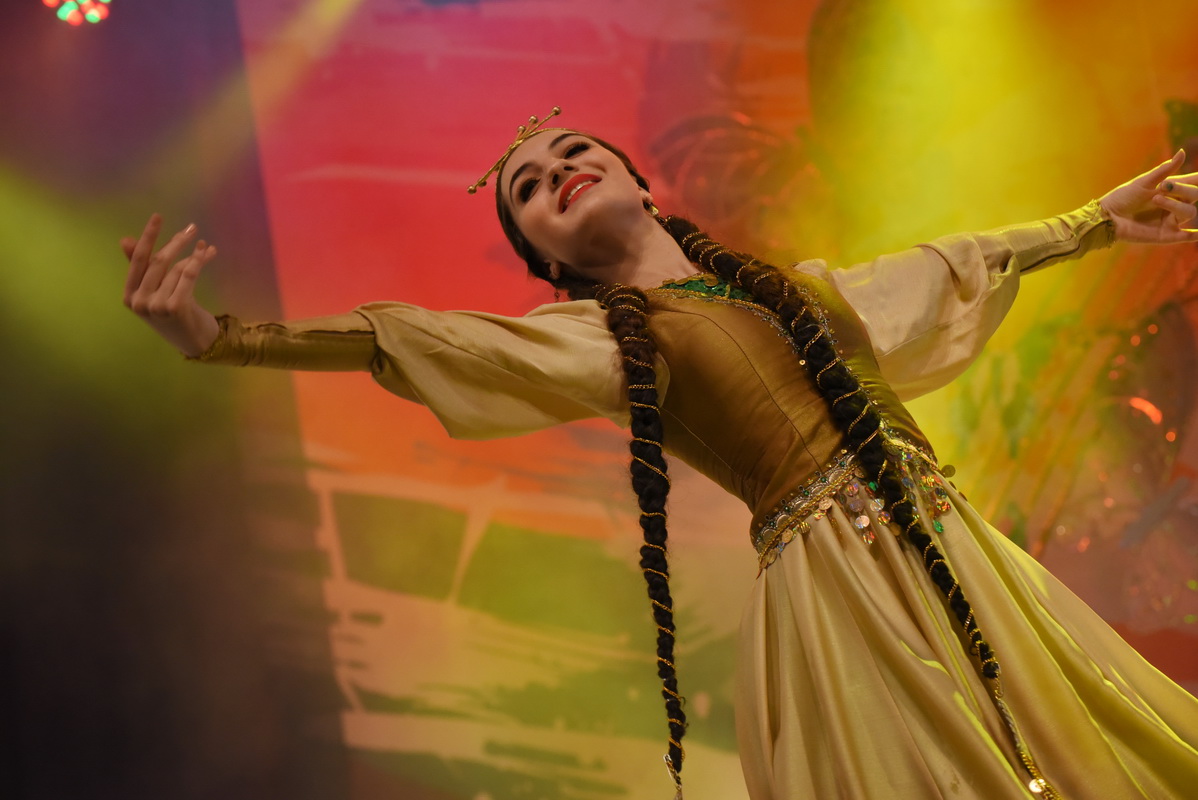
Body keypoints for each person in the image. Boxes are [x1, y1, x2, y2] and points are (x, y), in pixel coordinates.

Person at [123, 109, 1198, 799]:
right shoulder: (601, 338)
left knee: (1084, 738)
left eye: (571, 153)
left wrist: (1092, 223)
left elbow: (950, 264)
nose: (556, 171)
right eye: (529, 188)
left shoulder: (796, 289)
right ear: (546, 258)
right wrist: (223, 338)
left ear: (639, 181)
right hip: (837, 586)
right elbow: (405, 337)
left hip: (941, 538)